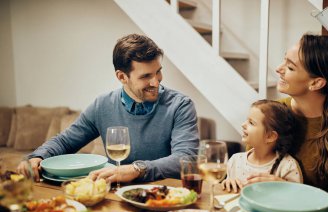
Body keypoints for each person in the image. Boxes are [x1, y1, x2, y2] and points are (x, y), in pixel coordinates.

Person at [17, 33, 199, 183]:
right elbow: (65, 141)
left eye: (158, 71)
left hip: (165, 198)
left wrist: (137, 169)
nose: (156, 81)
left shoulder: (180, 105)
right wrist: (38, 157)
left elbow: (186, 159)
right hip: (115, 195)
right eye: (146, 76)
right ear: (122, 77)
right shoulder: (102, 105)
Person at [248, 34, 328, 203]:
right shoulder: (268, 115)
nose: (279, 68)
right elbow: (249, 169)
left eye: (291, 67)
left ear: (316, 83)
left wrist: (289, 190)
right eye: (284, 60)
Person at [222, 99, 303, 193]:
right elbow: (226, 192)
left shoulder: (287, 166)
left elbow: (297, 198)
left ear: (270, 136)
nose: (243, 125)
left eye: (251, 123)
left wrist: (282, 185)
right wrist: (227, 182)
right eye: (246, 120)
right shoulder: (235, 160)